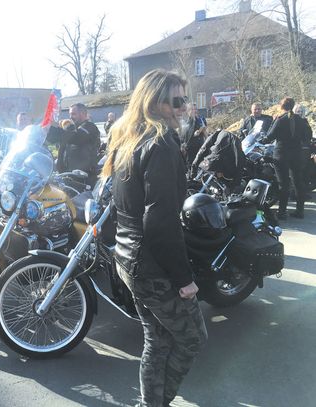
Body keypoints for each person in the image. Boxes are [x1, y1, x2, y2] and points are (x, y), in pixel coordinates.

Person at [101, 68, 207, 407]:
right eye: (176, 100)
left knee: (157, 340)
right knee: (192, 338)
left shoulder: (128, 138)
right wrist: (184, 279)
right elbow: (161, 222)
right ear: (155, 101)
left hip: (129, 258)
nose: (183, 106)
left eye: (184, 99)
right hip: (150, 265)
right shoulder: (161, 142)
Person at [262, 97, 311, 219]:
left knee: (283, 184)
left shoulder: (280, 119)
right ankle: (300, 211)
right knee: (298, 182)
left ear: (281, 106)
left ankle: (282, 212)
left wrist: (262, 139)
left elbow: (269, 137)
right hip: (297, 154)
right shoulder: (300, 120)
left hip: (282, 154)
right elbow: (307, 137)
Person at [47, 103, 100, 185]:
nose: (70, 117)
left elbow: (76, 138)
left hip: (84, 178)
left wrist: (54, 126)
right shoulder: (73, 129)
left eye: (73, 114)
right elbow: (54, 139)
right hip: (67, 176)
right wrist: (46, 128)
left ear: (82, 114)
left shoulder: (90, 127)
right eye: (70, 114)